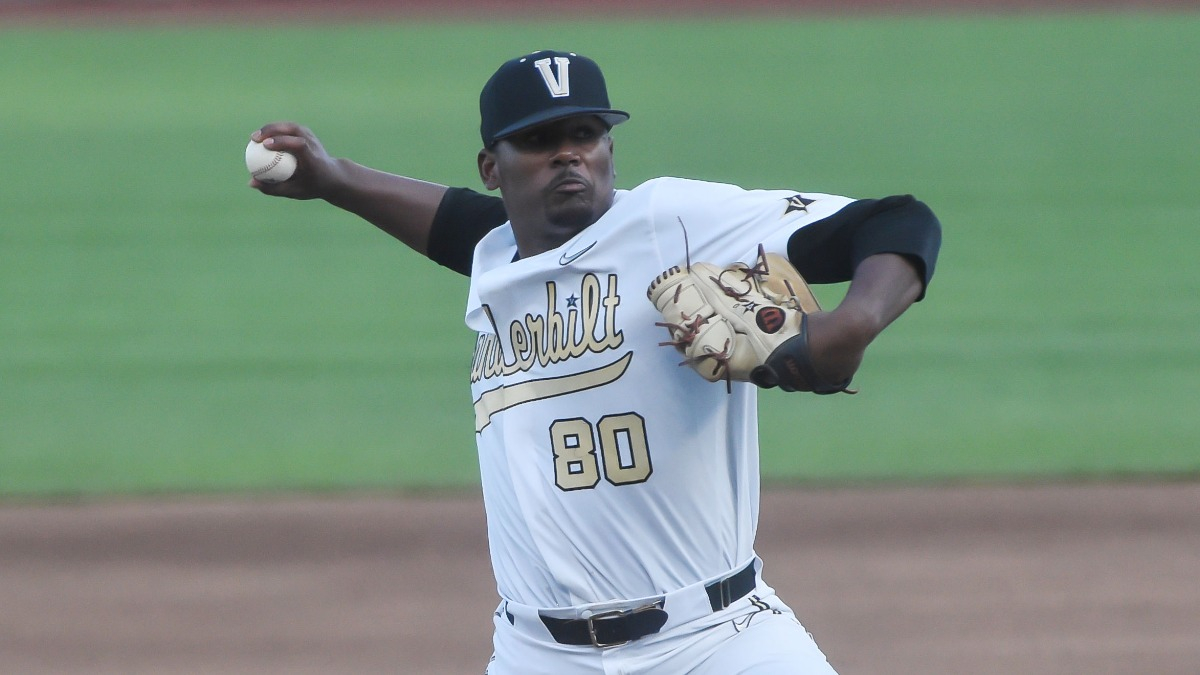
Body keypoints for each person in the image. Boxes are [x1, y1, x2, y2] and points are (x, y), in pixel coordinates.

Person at [250, 49, 940, 674]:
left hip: (718, 642)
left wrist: (852, 323)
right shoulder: (497, 252)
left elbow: (899, 221)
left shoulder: (669, 222)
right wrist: (334, 179)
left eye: (585, 134)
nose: (569, 155)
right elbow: (454, 222)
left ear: (610, 146)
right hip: (537, 654)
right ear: (493, 168)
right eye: (540, 140)